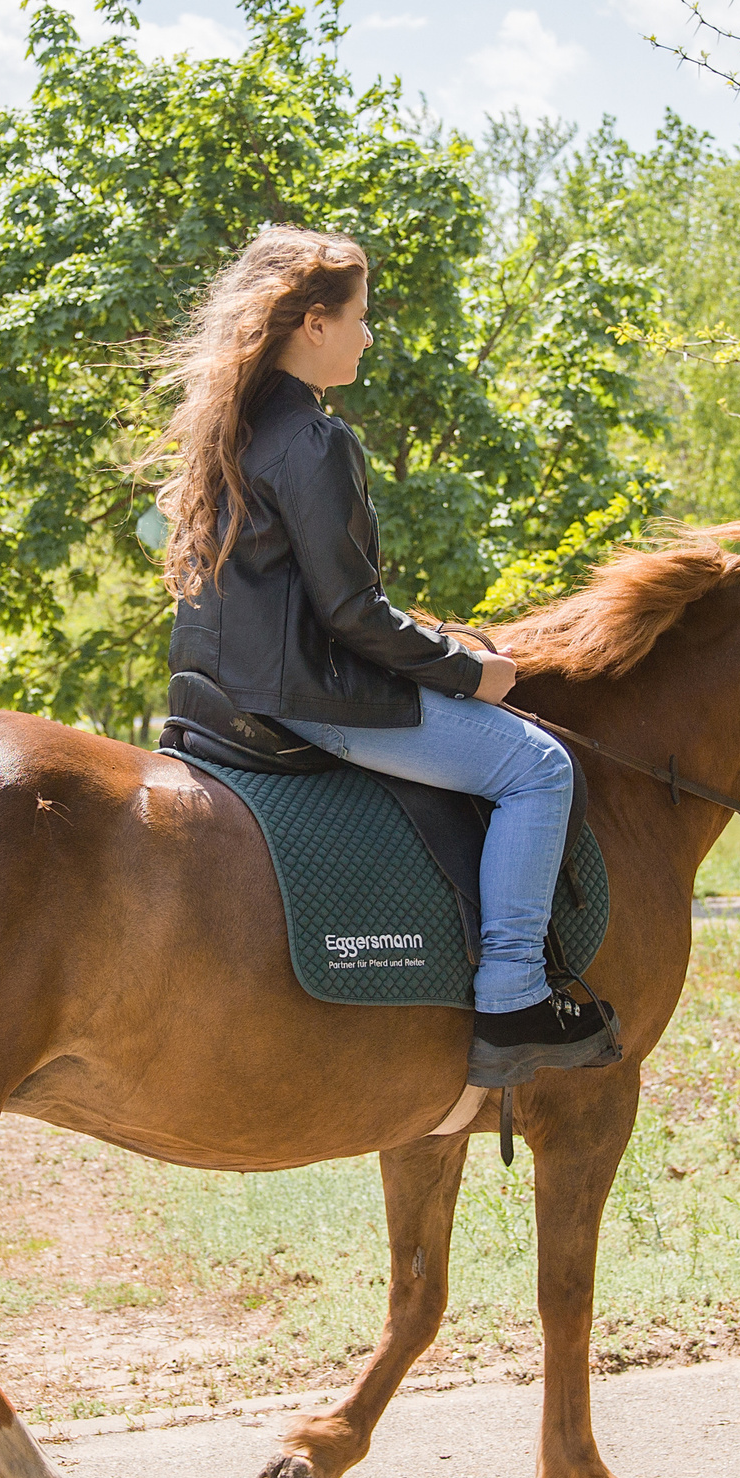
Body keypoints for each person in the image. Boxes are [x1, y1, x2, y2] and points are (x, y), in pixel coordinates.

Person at [152, 226, 620, 1088]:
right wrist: (466, 670)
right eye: (361, 318)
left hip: (215, 695)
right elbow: (350, 612)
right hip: (305, 700)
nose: (369, 337)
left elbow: (233, 567)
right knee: (539, 769)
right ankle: (514, 994)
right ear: (313, 325)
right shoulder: (316, 441)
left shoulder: (230, 433)